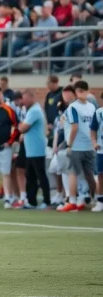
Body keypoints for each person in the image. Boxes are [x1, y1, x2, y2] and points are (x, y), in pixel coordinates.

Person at [58, 81, 98, 212]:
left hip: (76, 145)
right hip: (89, 145)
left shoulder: (73, 107)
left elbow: (74, 127)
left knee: (72, 173)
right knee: (89, 175)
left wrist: (69, 144)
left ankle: (73, 201)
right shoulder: (92, 107)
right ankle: (96, 199)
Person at [18, 89, 50, 209]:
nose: (23, 101)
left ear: (31, 97)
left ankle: (47, 201)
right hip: (30, 149)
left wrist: (20, 126)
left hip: (37, 148)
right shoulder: (31, 110)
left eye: (25, 99)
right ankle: (31, 201)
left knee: (40, 175)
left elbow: (23, 128)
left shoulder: (34, 110)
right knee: (30, 175)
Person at [90, 103, 103, 212]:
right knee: (100, 175)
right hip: (101, 148)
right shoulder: (99, 112)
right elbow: (93, 129)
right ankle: (100, 201)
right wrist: (94, 142)